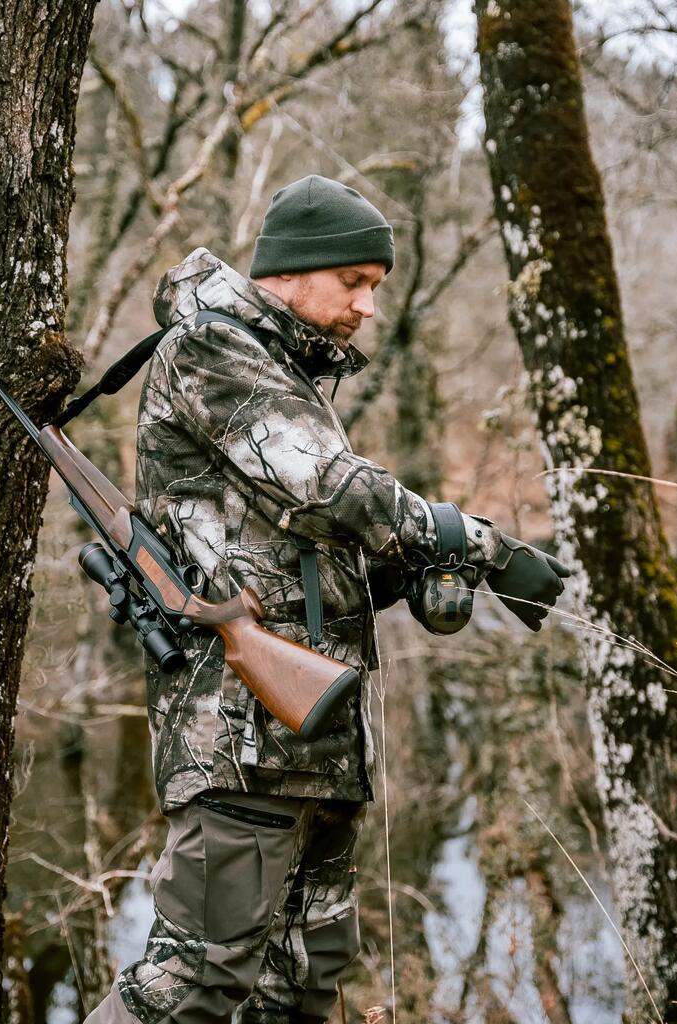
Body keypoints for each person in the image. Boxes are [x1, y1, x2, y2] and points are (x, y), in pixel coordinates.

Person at [84, 175, 568, 1024]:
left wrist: (403, 575)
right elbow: (333, 487)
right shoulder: (211, 350)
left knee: (302, 986)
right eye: (354, 283)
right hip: (238, 739)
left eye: (375, 290)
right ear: (294, 271)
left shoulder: (282, 370)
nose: (367, 308)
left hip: (317, 739)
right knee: (194, 985)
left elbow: (301, 558)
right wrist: (477, 543)